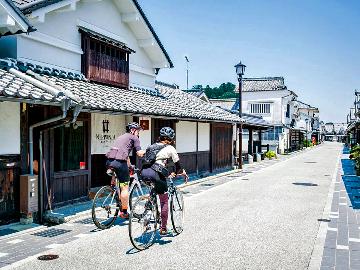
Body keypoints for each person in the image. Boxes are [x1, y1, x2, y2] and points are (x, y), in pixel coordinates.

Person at [141, 127, 189, 235]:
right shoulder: (170, 148)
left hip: (144, 173)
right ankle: (163, 228)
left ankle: (148, 209)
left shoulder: (151, 146)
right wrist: (179, 173)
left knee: (153, 192)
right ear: (170, 139)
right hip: (156, 173)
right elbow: (178, 166)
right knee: (163, 200)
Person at [105, 122, 145, 218]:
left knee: (117, 176)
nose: (138, 133)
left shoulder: (121, 137)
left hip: (109, 162)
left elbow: (124, 155)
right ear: (133, 130)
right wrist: (149, 150)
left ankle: (113, 187)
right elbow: (139, 153)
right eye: (138, 131)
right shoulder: (134, 138)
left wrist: (130, 165)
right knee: (124, 187)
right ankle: (124, 212)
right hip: (119, 163)